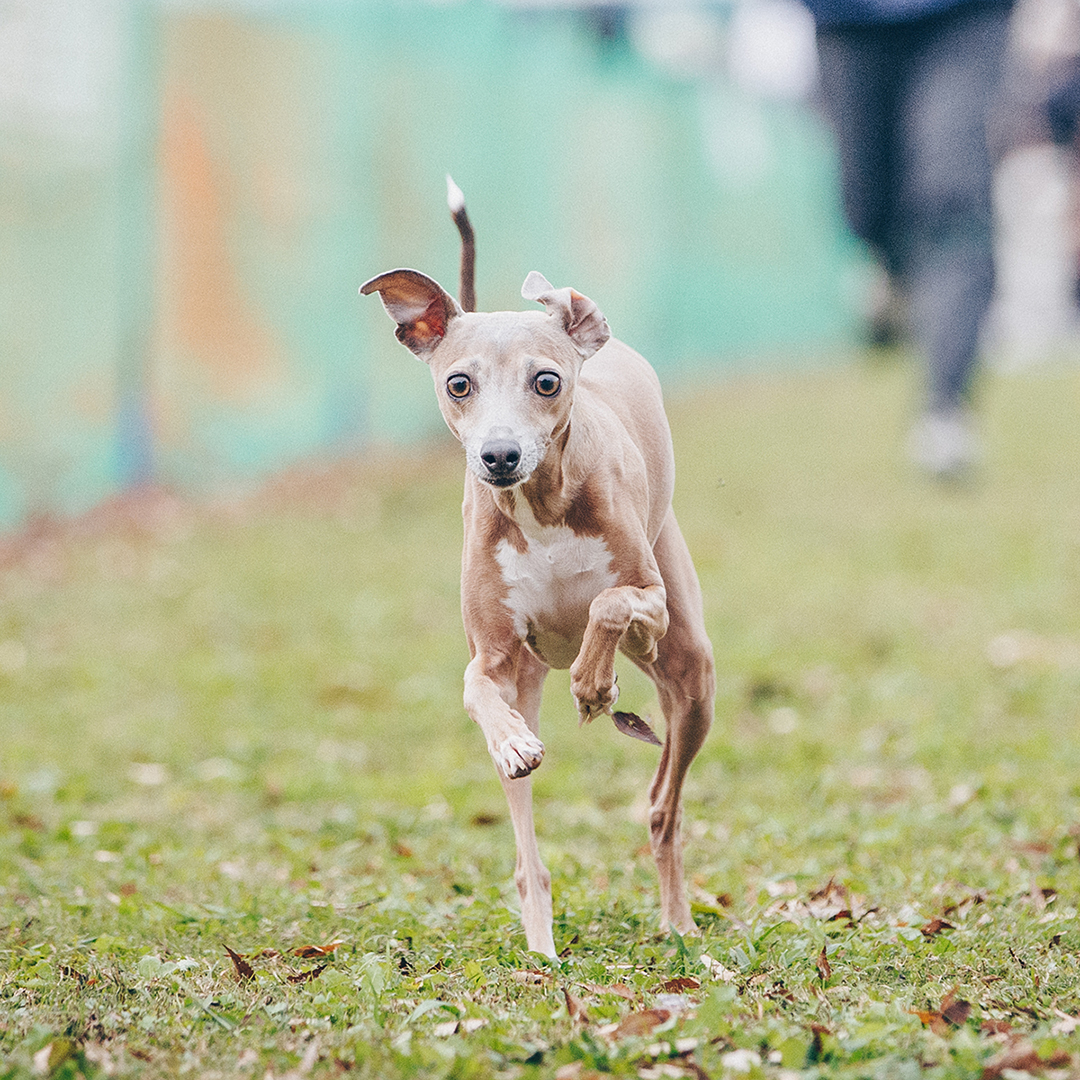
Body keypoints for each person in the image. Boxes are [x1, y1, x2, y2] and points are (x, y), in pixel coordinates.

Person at [799, 0, 1015, 479]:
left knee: (951, 193)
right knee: (865, 204)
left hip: (964, 16)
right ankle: (893, 273)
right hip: (849, 18)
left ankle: (945, 407)